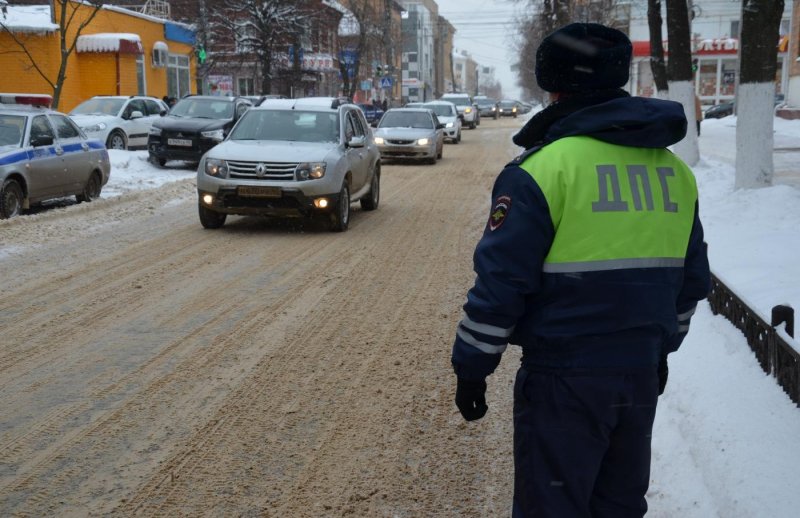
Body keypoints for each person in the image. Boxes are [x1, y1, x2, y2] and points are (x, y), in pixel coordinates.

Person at [451, 22, 711, 517]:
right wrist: (657, 350)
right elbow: (690, 281)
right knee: (617, 504)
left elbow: (503, 284)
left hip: (562, 379)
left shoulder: (543, 170)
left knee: (552, 504)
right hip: (636, 377)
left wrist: (472, 367)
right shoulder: (673, 172)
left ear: (553, 87)